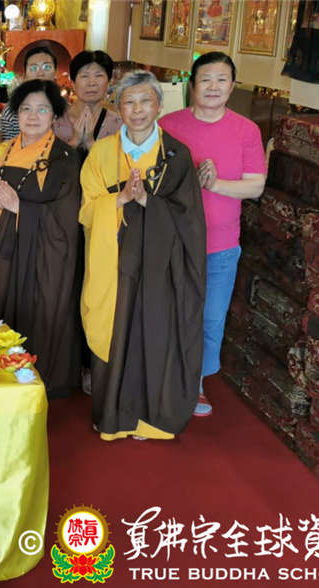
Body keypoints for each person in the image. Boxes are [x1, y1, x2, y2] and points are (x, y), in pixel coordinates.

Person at [80, 71, 206, 441]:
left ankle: (149, 420)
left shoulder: (176, 155)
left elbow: (189, 218)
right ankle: (112, 416)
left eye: (145, 101)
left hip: (159, 266)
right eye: (129, 102)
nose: (137, 110)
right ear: (118, 108)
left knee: (153, 333)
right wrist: (119, 200)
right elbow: (85, 209)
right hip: (113, 260)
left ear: (159, 106)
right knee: (114, 331)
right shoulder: (101, 153)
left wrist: (149, 201)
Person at [159, 52, 266, 417]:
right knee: (169, 311)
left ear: (233, 86)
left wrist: (214, 184)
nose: (214, 87)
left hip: (220, 245)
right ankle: (164, 376)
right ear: (193, 84)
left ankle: (197, 383)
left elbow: (255, 186)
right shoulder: (168, 125)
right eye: (206, 79)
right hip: (173, 242)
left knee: (210, 318)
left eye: (222, 80)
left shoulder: (246, 130)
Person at [0, 80, 82, 397]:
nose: (33, 117)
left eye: (42, 110)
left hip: (42, 259)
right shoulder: (0, 152)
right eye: (25, 109)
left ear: (54, 116)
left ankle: (35, 385)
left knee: (37, 317)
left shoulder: (65, 158)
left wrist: (19, 208)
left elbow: (67, 218)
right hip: (3, 251)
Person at [54, 50, 122, 154]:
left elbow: (121, 163)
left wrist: (90, 143)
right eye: (84, 76)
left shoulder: (118, 124)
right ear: (73, 83)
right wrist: (75, 141)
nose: (92, 83)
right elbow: (47, 162)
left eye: (99, 75)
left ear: (108, 83)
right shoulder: (55, 122)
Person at [0, 46, 59, 142]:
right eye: (34, 68)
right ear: (25, 74)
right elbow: (9, 147)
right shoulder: (11, 111)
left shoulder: (66, 109)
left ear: (56, 72)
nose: (40, 73)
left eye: (47, 67)